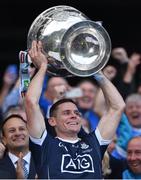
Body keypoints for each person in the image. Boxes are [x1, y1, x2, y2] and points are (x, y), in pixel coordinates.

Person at [24, 40, 125, 179]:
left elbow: (118, 107)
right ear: (52, 121)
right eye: (66, 113)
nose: (74, 116)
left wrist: (97, 72)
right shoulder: (44, 144)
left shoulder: (94, 143)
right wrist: (42, 67)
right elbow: (31, 102)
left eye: (77, 113)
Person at [0, 114, 36, 179]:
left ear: (29, 134)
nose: (18, 133)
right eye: (12, 130)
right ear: (4, 140)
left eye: (21, 129)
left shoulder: (45, 162)